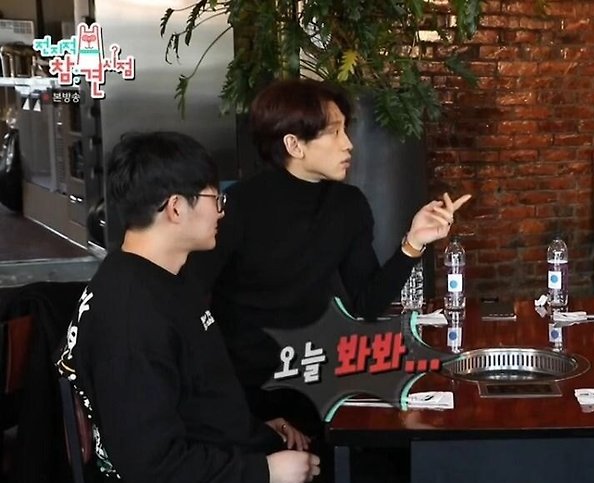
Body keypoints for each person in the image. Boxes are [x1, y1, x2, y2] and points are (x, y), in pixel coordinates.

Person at [56, 131, 334, 483]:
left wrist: (260, 431)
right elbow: (155, 466)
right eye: (214, 198)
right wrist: (264, 470)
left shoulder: (166, 277)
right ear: (175, 208)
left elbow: (195, 398)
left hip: (212, 471)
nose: (222, 210)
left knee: (350, 476)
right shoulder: (130, 316)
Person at [183, 78, 470, 432]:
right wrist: (242, 413)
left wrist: (413, 243)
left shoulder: (347, 205)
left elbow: (366, 305)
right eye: (334, 132)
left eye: (345, 130)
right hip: (247, 393)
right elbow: (190, 309)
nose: (348, 144)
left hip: (316, 381)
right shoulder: (237, 208)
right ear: (294, 144)